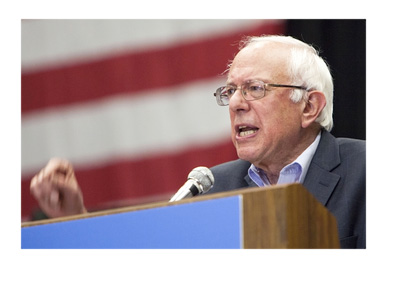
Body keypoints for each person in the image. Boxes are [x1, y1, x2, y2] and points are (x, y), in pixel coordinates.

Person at [29, 35, 366, 249]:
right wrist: (75, 217)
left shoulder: (370, 171)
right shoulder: (213, 188)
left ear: (309, 106)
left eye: (255, 88)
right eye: (230, 91)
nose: (235, 103)